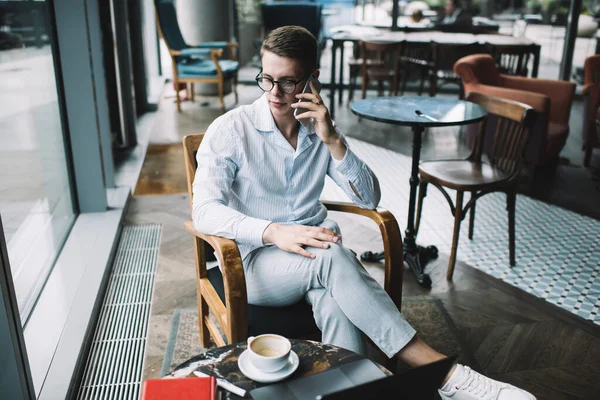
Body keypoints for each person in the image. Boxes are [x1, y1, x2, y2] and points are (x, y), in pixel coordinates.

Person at [192, 26, 535, 400]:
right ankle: (444, 373)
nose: (275, 93)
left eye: (289, 82)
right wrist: (274, 231)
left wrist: (332, 139)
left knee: (336, 301)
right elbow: (204, 211)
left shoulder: (318, 130)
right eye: (267, 79)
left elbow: (370, 198)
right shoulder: (230, 130)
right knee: (333, 257)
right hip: (253, 265)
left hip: (316, 260)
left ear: (312, 81)